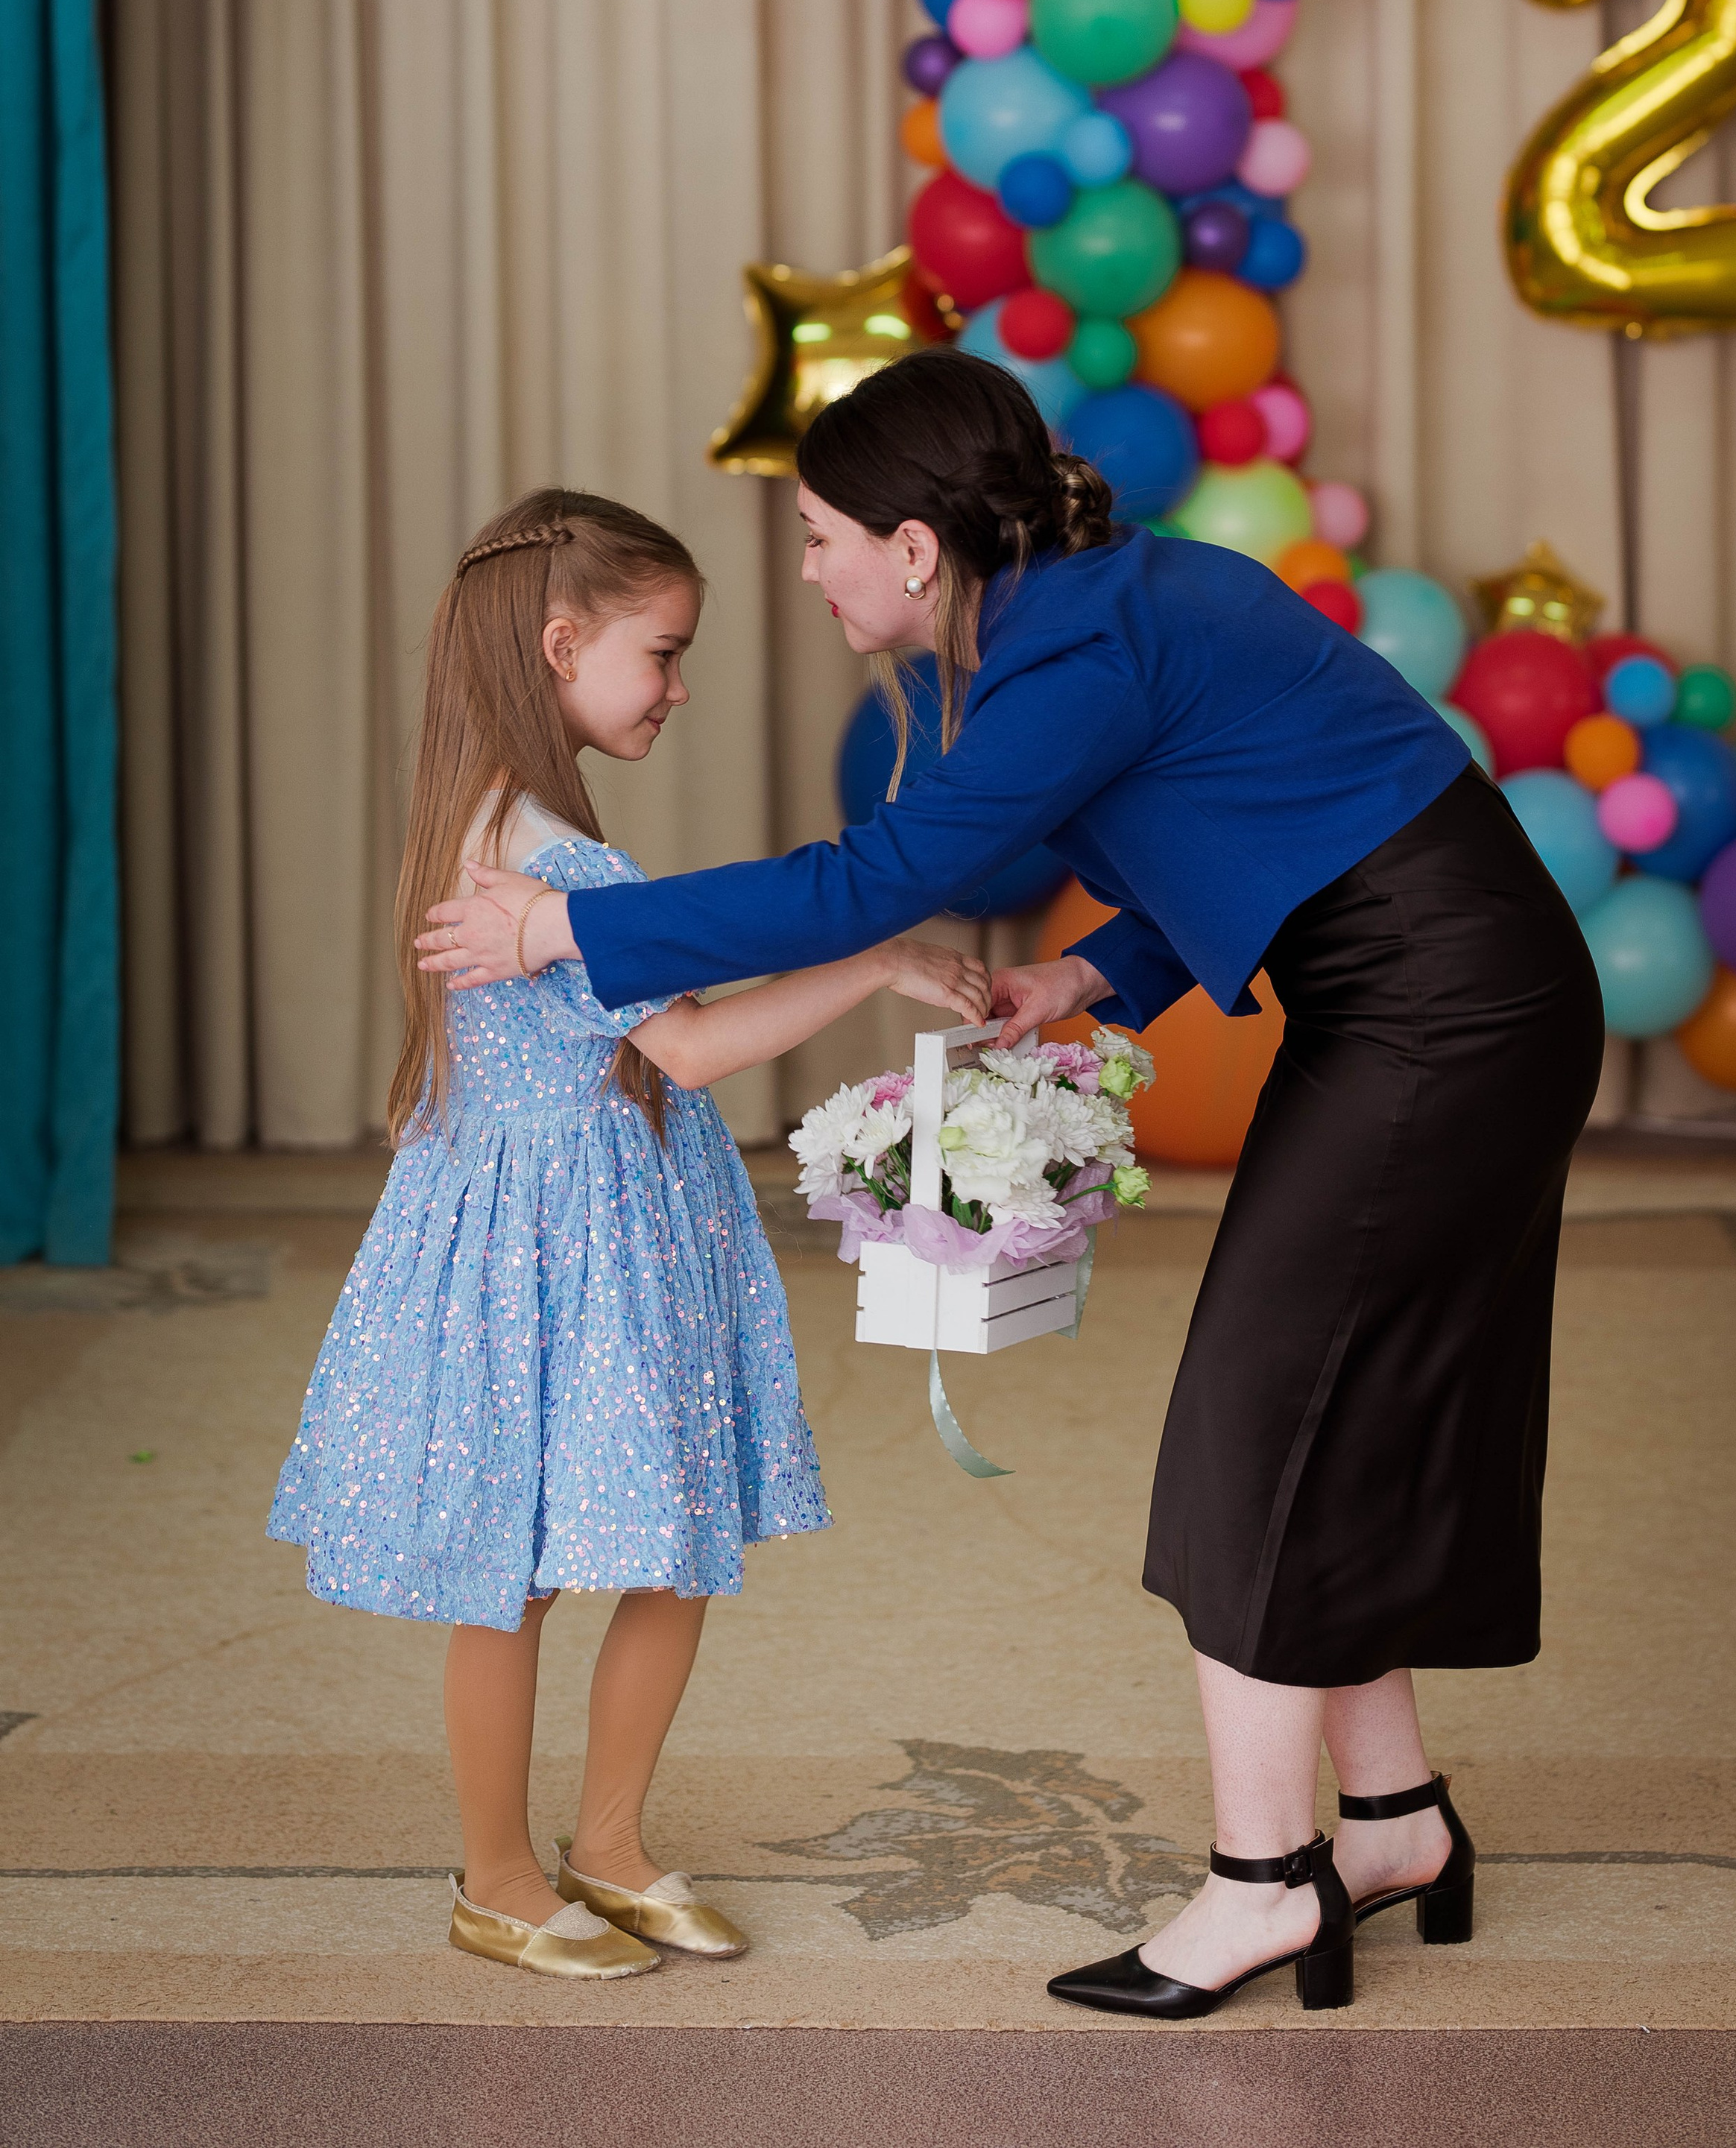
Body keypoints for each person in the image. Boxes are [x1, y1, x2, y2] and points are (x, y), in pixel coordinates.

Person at [418, 361, 1605, 2018]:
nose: (812, 569)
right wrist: (1092, 975)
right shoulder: (1090, 611)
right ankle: (1392, 1821)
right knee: (1334, 1415)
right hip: (1424, 988)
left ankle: (1264, 1881)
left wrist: (570, 934)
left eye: (824, 536)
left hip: (1439, 1008)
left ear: (914, 548)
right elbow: (1277, 804)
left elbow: (890, 874)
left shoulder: (1070, 647)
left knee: (1259, 1423)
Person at [271, 488, 991, 1982]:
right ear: (558, 643)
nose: (675, 685)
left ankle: (607, 1842)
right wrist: (875, 959)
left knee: (674, 1544)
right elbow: (694, 1050)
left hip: (597, 1225)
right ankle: (497, 1873)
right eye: (660, 652)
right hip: (557, 1246)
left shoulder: (489, 816)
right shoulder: (549, 865)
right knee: (522, 1566)